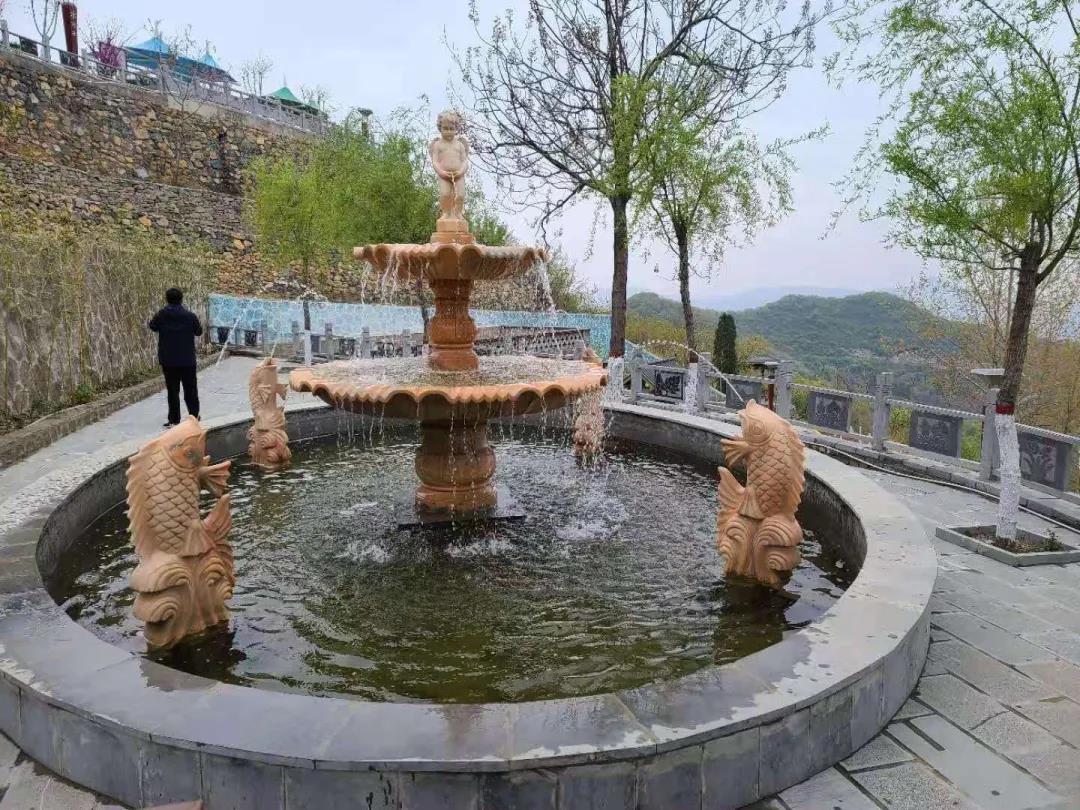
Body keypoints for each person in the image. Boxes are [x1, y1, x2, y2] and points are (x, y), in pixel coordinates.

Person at [148, 288, 202, 427]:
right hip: (187, 359)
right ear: (181, 299)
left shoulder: (162, 315)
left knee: (172, 390)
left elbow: (152, 326)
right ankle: (194, 416)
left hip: (169, 360)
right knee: (190, 389)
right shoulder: (190, 316)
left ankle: (174, 419)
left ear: (167, 299)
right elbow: (198, 331)